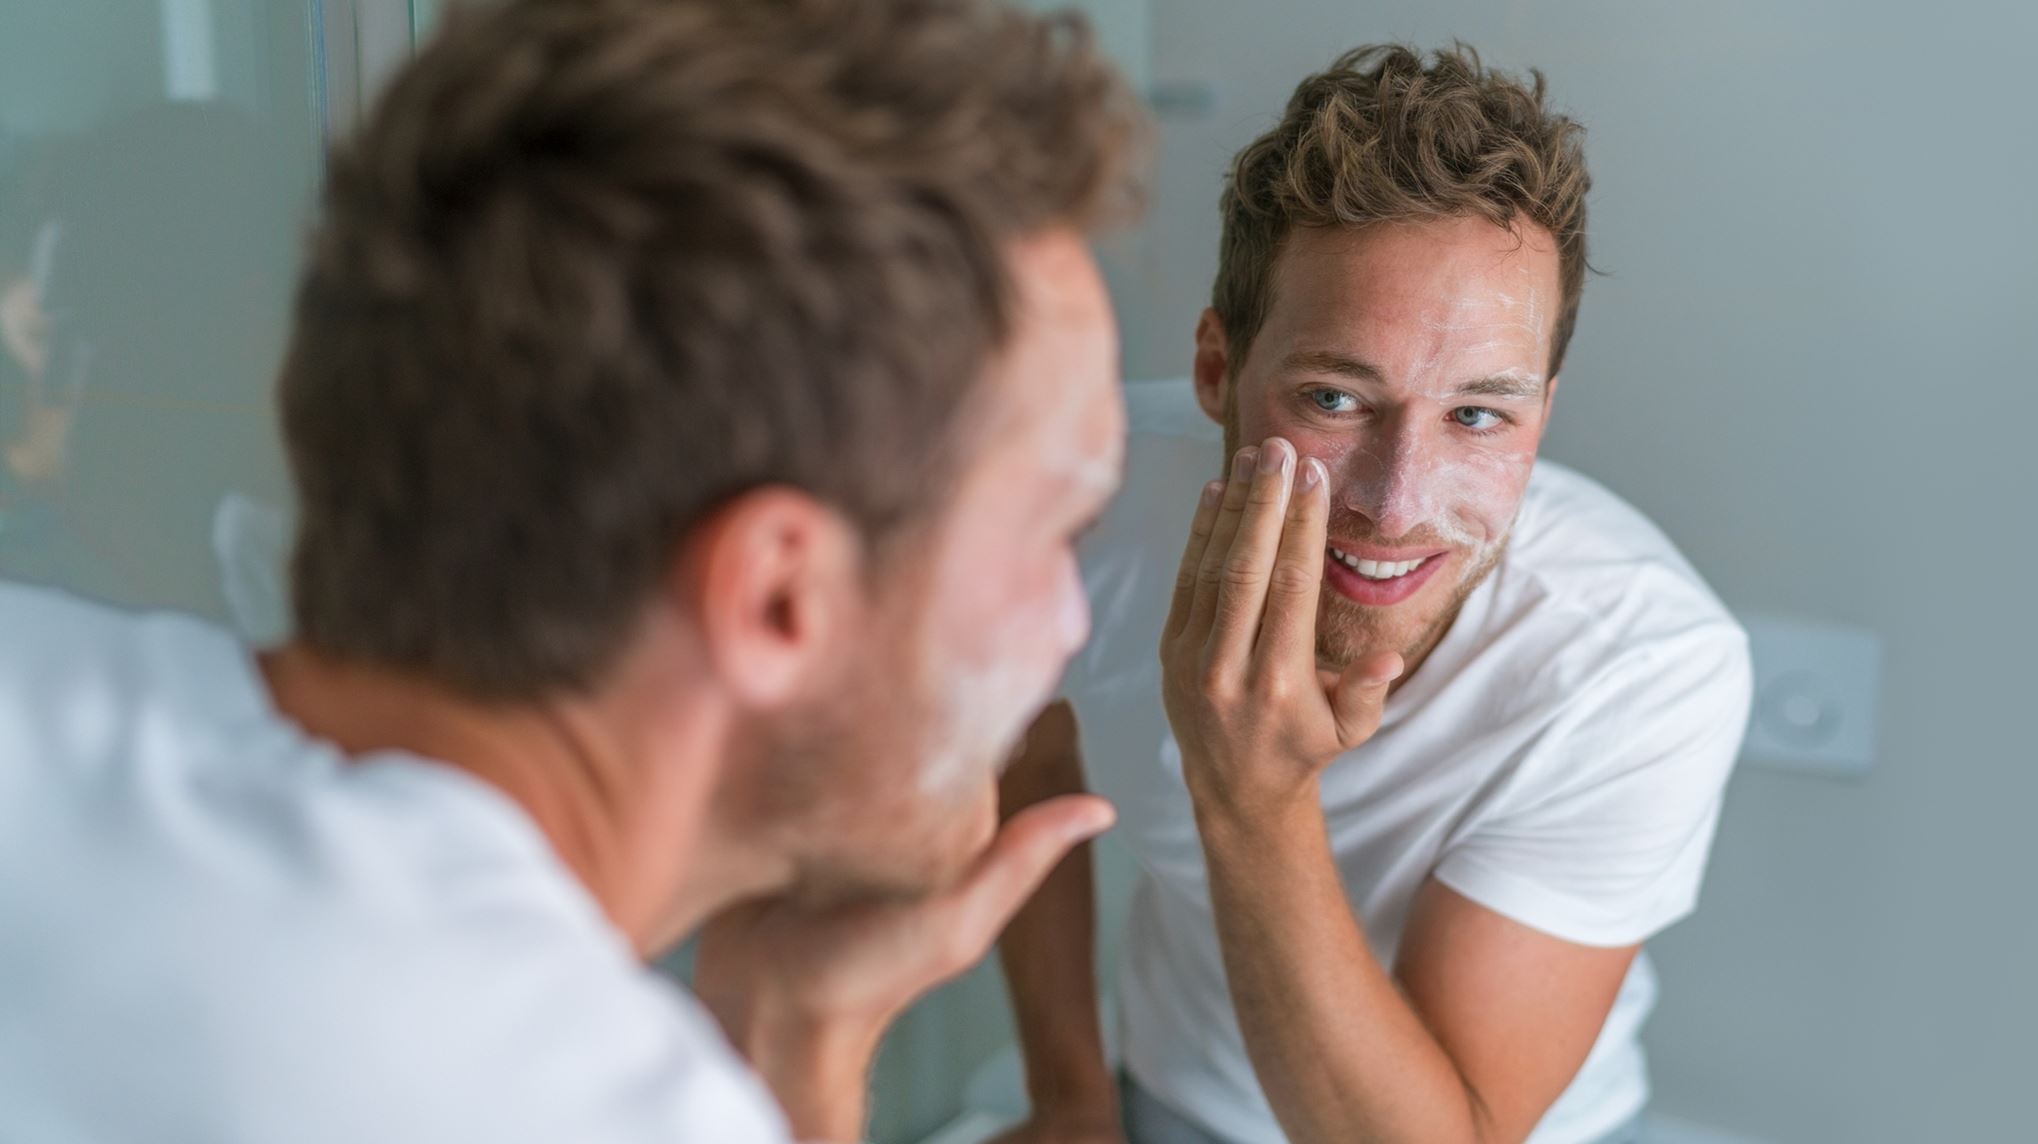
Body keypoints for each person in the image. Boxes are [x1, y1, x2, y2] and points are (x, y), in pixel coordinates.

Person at [0, 1, 1146, 1141]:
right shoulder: (572, 1102)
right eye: (1055, 530)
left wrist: (798, 1024)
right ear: (775, 600)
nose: (1068, 621)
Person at [994, 46, 1752, 1144]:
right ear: (1216, 369)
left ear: (1543, 407)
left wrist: (1249, 793)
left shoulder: (1642, 665)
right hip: (1171, 1095)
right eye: (1335, 398)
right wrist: (1066, 1096)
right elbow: (1031, 761)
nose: (1395, 505)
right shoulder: (1076, 499)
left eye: (1478, 416)